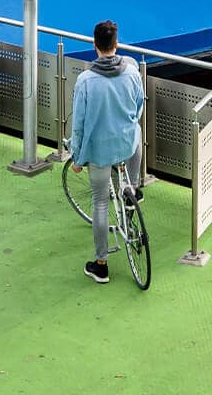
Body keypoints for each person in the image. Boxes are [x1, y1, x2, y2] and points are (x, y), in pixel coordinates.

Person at [70, 20, 145, 285]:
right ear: (116, 44)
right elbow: (138, 107)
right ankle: (132, 190)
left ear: (95, 45)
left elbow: (78, 125)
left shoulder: (86, 81)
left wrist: (77, 158)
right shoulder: (132, 72)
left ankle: (101, 265)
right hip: (126, 144)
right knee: (137, 134)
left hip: (99, 151)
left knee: (100, 203)